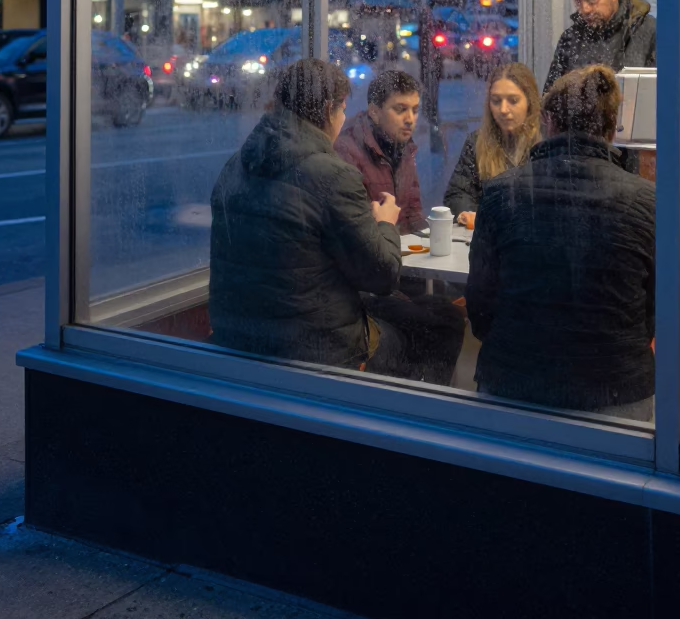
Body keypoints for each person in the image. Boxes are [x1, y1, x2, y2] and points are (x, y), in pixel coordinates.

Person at [210, 59, 463, 384]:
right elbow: (382, 276)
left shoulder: (236, 165)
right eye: (343, 109)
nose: (344, 118)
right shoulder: (332, 173)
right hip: (314, 349)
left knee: (425, 313)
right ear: (330, 109)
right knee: (442, 324)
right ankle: (407, 421)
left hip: (239, 334)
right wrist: (384, 223)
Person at [466, 64, 655, 418]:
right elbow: (655, 309)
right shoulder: (648, 201)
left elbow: (480, 303)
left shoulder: (499, 193)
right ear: (612, 127)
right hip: (618, 388)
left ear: (548, 121)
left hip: (513, 380)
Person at [444, 63, 541, 227]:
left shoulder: (546, 143)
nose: (503, 109)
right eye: (496, 101)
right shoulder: (476, 142)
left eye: (513, 100)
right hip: (489, 238)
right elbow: (457, 194)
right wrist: (468, 214)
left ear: (529, 102)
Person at [335, 69, 426, 234]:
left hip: (398, 250)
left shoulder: (403, 146)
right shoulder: (347, 150)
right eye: (400, 109)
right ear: (375, 112)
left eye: (415, 110)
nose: (410, 119)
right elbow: (355, 229)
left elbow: (414, 213)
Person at [545, 0, 656, 92]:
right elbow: (551, 100)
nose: (585, 9)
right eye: (578, 1)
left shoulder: (649, 32)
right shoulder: (570, 38)